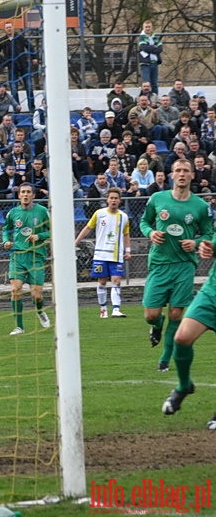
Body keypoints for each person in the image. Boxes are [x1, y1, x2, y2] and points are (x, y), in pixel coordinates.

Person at [139, 158, 213, 372]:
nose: (181, 174)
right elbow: (144, 222)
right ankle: (156, 326)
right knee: (151, 315)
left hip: (184, 265)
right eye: (178, 170)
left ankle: (164, 359)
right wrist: (151, 233)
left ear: (192, 175)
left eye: (185, 171)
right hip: (160, 263)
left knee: (176, 314)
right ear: (172, 175)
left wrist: (196, 242)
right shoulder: (157, 198)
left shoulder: (200, 206)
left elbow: (209, 233)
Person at [161, 233, 216, 419]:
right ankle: (184, 385)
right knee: (182, 337)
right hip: (212, 293)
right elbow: (212, 244)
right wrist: (207, 247)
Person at [75, 187, 131, 318]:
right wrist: (76, 242)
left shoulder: (124, 217)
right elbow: (88, 228)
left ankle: (116, 309)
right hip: (101, 254)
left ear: (120, 201)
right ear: (107, 199)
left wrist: (127, 250)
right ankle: (103, 308)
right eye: (111, 198)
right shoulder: (99, 214)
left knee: (116, 280)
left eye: (116, 198)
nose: (113, 200)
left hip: (116, 254)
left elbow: (126, 234)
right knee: (102, 282)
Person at [2, 183, 50, 335]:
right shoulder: (13, 213)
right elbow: (5, 229)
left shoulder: (42, 211)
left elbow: (52, 230)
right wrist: (6, 241)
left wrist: (39, 236)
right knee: (15, 289)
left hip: (36, 256)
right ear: (19, 195)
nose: (25, 194)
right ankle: (19, 326)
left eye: (28, 192)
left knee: (36, 295)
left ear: (33, 195)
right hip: (18, 255)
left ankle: (40, 310)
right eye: (23, 192)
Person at [0, 22, 38, 113]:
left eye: (10, 27)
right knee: (14, 89)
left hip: (24, 65)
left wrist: (34, 57)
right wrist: (4, 62)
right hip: (12, 67)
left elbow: (29, 46)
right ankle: (17, 109)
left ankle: (32, 109)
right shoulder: (3, 40)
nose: (9, 29)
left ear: (13, 28)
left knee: (29, 87)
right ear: (5, 29)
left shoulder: (20, 37)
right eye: (7, 28)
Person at [137, 21, 163, 95]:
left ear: (152, 28)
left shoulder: (155, 37)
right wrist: (155, 47)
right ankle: (146, 98)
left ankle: (155, 99)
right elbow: (144, 47)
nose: (148, 28)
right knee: (146, 83)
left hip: (154, 63)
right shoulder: (142, 37)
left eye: (149, 27)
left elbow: (160, 48)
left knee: (154, 83)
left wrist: (151, 48)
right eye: (146, 27)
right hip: (145, 63)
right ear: (143, 28)